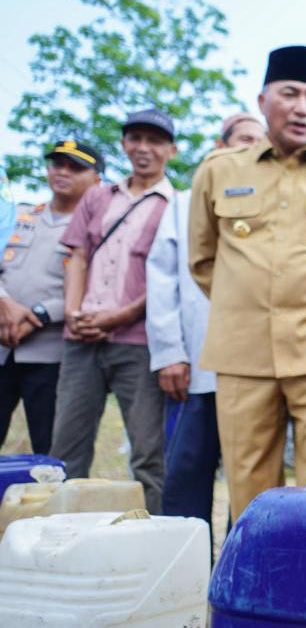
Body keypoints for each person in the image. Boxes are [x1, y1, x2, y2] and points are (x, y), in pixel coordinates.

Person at [189, 45, 306, 520]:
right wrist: (249, 302)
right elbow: (202, 258)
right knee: (249, 486)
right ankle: (259, 590)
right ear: (262, 100)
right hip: (242, 352)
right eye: (290, 94)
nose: (303, 108)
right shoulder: (217, 172)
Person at [50, 110, 177, 514]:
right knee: (65, 451)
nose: (144, 148)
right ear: (123, 144)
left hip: (137, 344)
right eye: (136, 138)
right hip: (80, 340)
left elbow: (166, 278)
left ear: (171, 150)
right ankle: (60, 543)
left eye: (155, 141)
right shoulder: (97, 197)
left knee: (147, 454)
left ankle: (153, 539)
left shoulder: (176, 206)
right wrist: (73, 311)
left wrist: (119, 316)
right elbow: (79, 256)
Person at [146, 114, 266, 531]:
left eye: (258, 143)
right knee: (185, 476)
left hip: (257, 372)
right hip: (196, 368)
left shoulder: (273, 204)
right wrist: (168, 354)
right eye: (242, 141)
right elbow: (162, 281)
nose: (250, 150)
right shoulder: (183, 201)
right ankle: (184, 580)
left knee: (252, 482)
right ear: (219, 145)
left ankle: (239, 580)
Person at [0, 141, 101, 453]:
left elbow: (92, 284)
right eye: (57, 164)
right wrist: (3, 302)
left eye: (75, 167)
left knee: (51, 448)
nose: (63, 172)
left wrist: (40, 315)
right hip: (3, 344)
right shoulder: (18, 216)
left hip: (51, 354)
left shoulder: (97, 229)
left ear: (97, 179)